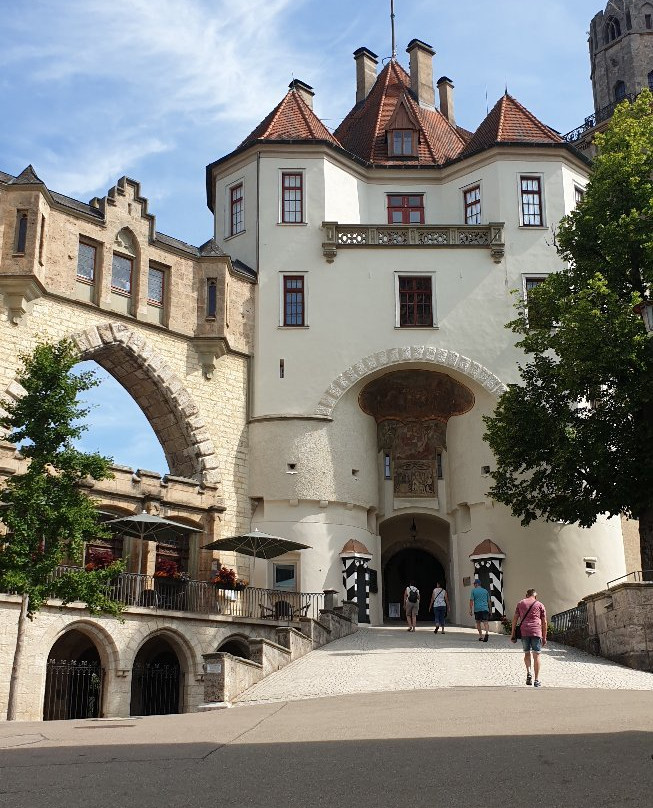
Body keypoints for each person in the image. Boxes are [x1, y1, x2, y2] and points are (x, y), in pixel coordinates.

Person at [511, 588, 547, 687]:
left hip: (524, 632)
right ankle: (536, 680)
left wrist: (512, 633)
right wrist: (544, 637)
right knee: (537, 655)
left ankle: (529, 672)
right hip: (536, 631)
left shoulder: (520, 603)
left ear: (526, 595)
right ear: (535, 596)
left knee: (527, 654)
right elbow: (544, 622)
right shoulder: (540, 604)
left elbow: (514, 619)